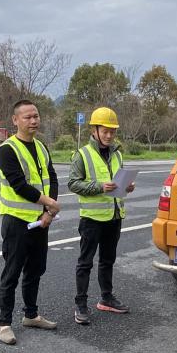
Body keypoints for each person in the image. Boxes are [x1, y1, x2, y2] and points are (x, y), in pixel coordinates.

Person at [0, 99, 61, 345]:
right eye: (27, 117)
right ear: (15, 120)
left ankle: (31, 315)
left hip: (41, 221)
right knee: (11, 273)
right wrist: (49, 203)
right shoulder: (7, 149)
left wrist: (49, 212)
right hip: (17, 221)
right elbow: (19, 185)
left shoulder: (41, 146)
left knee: (36, 269)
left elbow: (52, 177)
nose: (33, 121)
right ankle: (4, 323)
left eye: (36, 116)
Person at [68, 106, 135, 324]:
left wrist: (127, 187)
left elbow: (118, 182)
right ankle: (81, 305)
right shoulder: (82, 154)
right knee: (85, 262)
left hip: (114, 216)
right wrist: (99, 187)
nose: (109, 135)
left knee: (108, 260)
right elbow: (73, 183)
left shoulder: (117, 154)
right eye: (105, 131)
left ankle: (106, 298)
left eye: (112, 131)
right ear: (94, 130)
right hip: (92, 219)